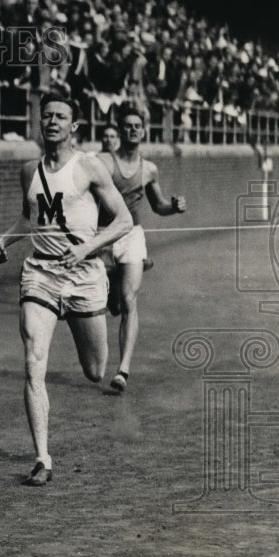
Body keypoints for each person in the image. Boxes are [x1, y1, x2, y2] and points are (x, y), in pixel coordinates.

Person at [0, 94, 132, 486]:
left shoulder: (89, 167)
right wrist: (6, 239)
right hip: (41, 274)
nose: (52, 121)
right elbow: (29, 216)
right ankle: (42, 458)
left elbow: (123, 220)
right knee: (34, 359)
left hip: (85, 274)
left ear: (74, 127)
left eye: (61, 116)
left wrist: (88, 247)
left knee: (95, 370)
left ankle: (91, 312)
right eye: (47, 115)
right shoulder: (29, 171)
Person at [96, 109, 186, 394]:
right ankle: (111, 294)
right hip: (105, 235)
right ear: (120, 132)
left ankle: (123, 369)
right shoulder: (104, 163)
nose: (133, 131)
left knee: (129, 298)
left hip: (132, 235)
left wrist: (173, 207)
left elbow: (158, 206)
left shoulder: (149, 170)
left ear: (144, 131)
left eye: (138, 126)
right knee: (110, 301)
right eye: (128, 126)